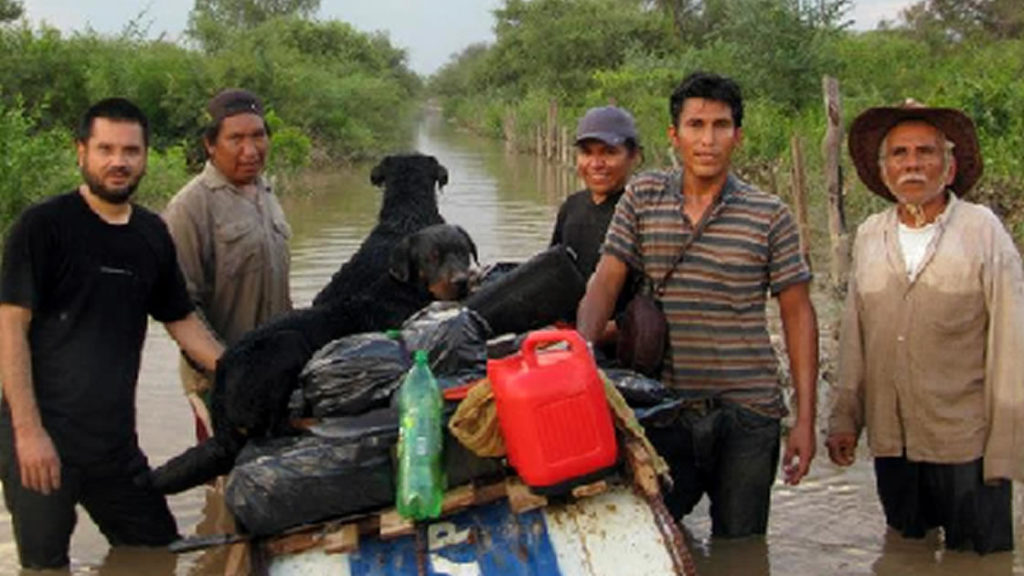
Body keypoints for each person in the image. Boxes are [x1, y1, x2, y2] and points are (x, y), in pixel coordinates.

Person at [576, 71, 819, 538]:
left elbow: (798, 316)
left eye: (720, 126)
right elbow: (605, 280)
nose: (708, 140)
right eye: (696, 125)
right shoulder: (643, 197)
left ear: (737, 136)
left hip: (750, 414)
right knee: (651, 537)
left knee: (741, 549)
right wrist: (582, 353)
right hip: (667, 409)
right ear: (675, 135)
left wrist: (805, 421)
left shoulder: (769, 215)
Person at [0, 97, 224, 569]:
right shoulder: (43, 227)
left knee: (156, 552)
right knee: (45, 567)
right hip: (42, 437)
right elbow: (10, 329)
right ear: (80, 152)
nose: (118, 161)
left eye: (130, 150)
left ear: (145, 156)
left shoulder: (150, 234)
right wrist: (28, 433)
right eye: (105, 149)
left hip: (113, 443)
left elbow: (180, 320)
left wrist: (240, 369)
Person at [826, 100, 1024, 555]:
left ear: (949, 167)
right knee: (904, 551)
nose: (911, 163)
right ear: (883, 170)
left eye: (925, 152)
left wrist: (1005, 448)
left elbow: (1011, 343)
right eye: (898, 154)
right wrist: (844, 419)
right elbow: (857, 338)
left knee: (980, 560)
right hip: (893, 441)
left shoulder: (983, 230)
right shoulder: (870, 235)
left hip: (967, 445)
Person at [163, 89, 292, 441]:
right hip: (218, 379)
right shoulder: (190, 207)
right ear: (210, 144)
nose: (250, 150)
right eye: (236, 138)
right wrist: (224, 369)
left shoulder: (266, 192)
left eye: (258, 136)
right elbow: (180, 305)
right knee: (223, 477)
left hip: (273, 369)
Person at [550, 105, 641, 351]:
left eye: (609, 152)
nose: (596, 163)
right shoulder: (572, 206)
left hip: (618, 348)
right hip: (569, 338)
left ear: (634, 156)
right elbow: (552, 274)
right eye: (587, 153)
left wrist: (586, 336)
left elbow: (652, 308)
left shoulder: (642, 213)